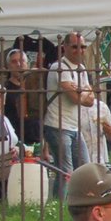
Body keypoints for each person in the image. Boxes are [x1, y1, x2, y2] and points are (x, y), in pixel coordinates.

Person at [43, 32, 94, 174]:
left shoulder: (81, 69)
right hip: (57, 125)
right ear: (64, 47)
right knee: (66, 171)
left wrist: (79, 91)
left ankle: (79, 196)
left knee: (84, 169)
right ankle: (60, 197)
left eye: (83, 47)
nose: (80, 50)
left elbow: (91, 101)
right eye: (75, 47)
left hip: (74, 126)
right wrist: (84, 91)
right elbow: (76, 99)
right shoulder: (59, 67)